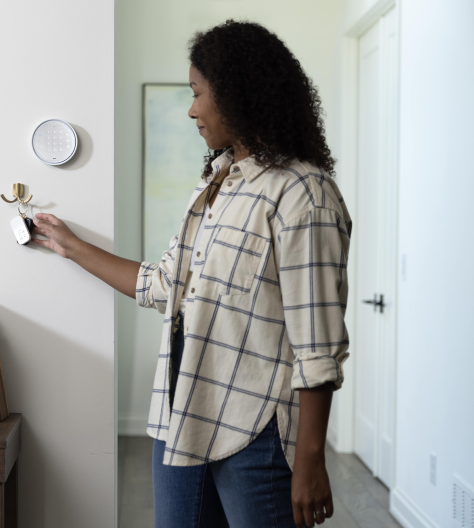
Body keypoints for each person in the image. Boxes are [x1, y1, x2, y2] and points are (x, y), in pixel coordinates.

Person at [30, 19, 352, 528]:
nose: (192, 109)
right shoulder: (217, 185)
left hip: (255, 433)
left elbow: (317, 346)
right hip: (180, 414)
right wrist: (72, 246)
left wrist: (310, 459)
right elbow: (162, 285)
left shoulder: (303, 195)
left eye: (199, 93)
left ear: (238, 94)